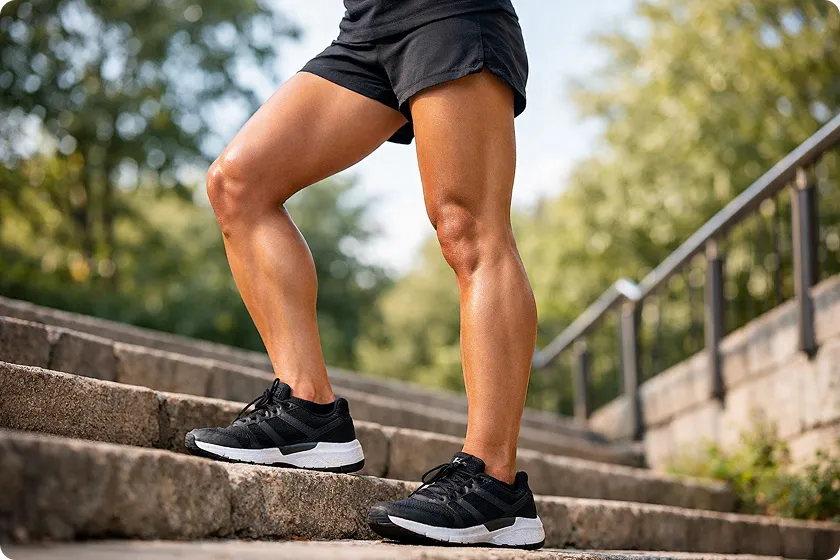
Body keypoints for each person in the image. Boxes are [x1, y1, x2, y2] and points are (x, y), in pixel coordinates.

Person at [185, 0, 544, 549]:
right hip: (366, 27)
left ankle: (494, 485)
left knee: (469, 229)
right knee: (238, 183)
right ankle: (308, 412)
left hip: (449, 14)